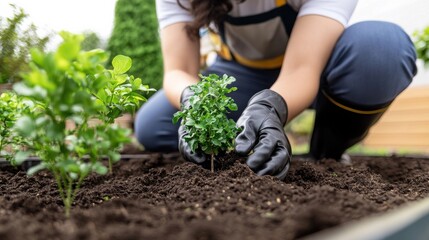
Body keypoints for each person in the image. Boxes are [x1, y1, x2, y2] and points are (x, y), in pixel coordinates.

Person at [135, 0, 417, 180]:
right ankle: (241, 148)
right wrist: (193, 102)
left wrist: (269, 107)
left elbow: (302, 69)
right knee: (152, 125)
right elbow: (178, 71)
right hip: (240, 75)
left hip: (319, 69)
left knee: (380, 49)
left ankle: (328, 151)